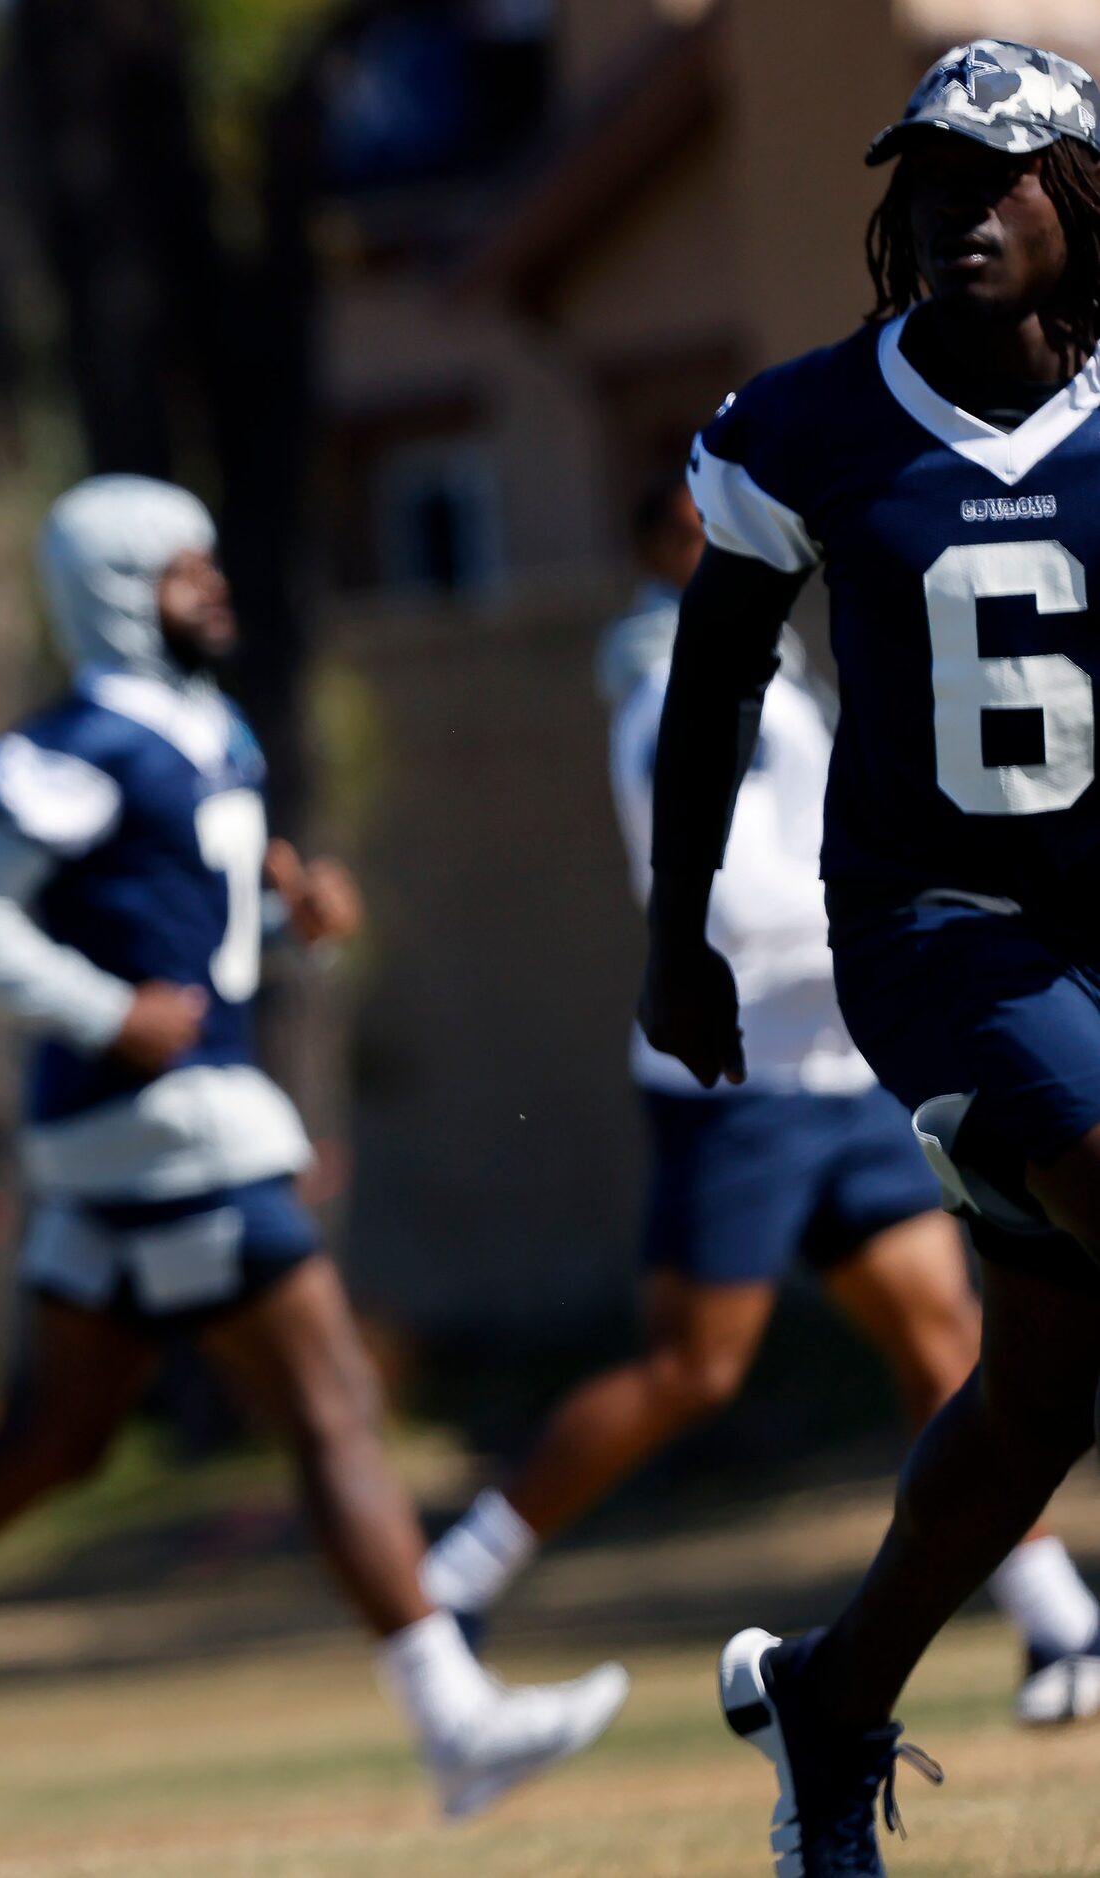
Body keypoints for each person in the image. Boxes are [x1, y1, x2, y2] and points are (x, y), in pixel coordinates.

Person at [0, 475, 628, 1830]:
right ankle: (456, 1719)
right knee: (329, 1409)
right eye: (190, 571)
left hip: (147, 1135)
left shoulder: (204, 728)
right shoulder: (81, 742)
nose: (218, 589)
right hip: (170, 1123)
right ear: (123, 589)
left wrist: (287, 901)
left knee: (58, 1439)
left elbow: (175, 882)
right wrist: (102, 1008)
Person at [421, 480, 1100, 1724]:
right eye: (712, 523)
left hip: (836, 1083)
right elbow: (720, 911)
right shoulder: (672, 694)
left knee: (945, 1342)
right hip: (736, 1093)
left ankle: (1058, 1630)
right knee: (690, 1370)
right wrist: (900, 896)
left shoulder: (771, 678)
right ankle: (449, 1583)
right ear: (666, 545)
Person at [643, 38, 1100, 1876]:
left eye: (993, 177)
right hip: (948, 944)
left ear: (1078, 201)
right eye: (920, 178)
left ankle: (830, 1701)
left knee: (1038, 1402)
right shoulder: (811, 422)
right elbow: (709, 692)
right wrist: (675, 936)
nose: (947, 211)